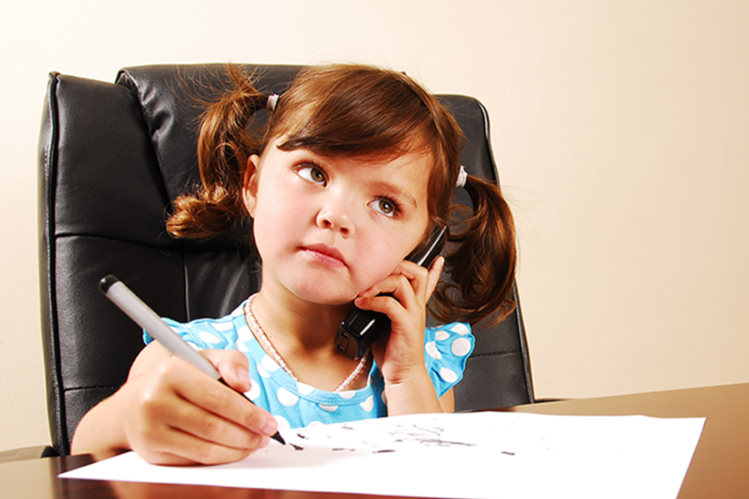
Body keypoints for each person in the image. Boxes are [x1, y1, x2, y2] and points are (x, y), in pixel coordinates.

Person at [71, 64, 516, 466]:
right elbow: (86, 453)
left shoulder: (422, 366)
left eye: (385, 204)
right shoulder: (188, 357)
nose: (336, 216)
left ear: (420, 246)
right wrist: (128, 417)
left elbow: (435, 490)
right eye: (314, 173)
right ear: (252, 185)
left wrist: (405, 375)